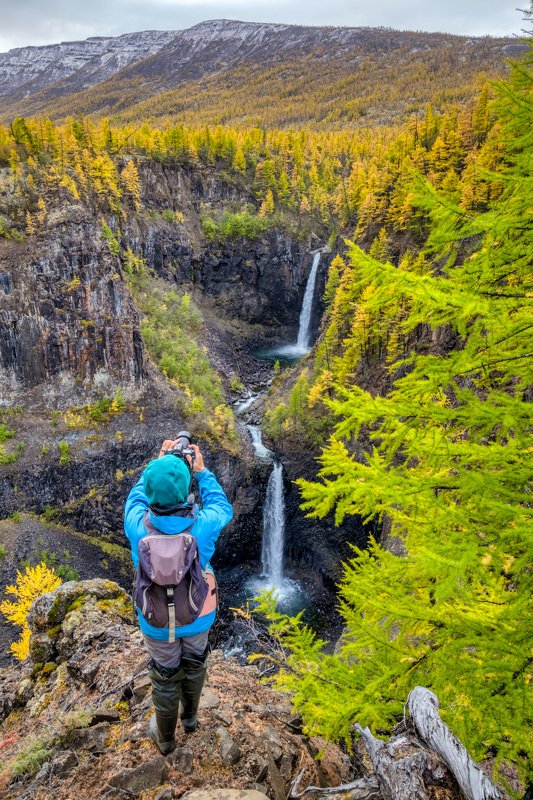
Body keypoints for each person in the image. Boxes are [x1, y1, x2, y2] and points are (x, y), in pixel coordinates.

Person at [124, 438, 233, 755]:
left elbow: (136, 497)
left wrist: (157, 463)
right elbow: (222, 506)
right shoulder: (203, 527)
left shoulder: (137, 527)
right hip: (198, 615)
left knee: (164, 674)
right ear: (186, 490)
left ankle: (166, 737)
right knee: (195, 663)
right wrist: (202, 472)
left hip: (156, 621)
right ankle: (190, 718)